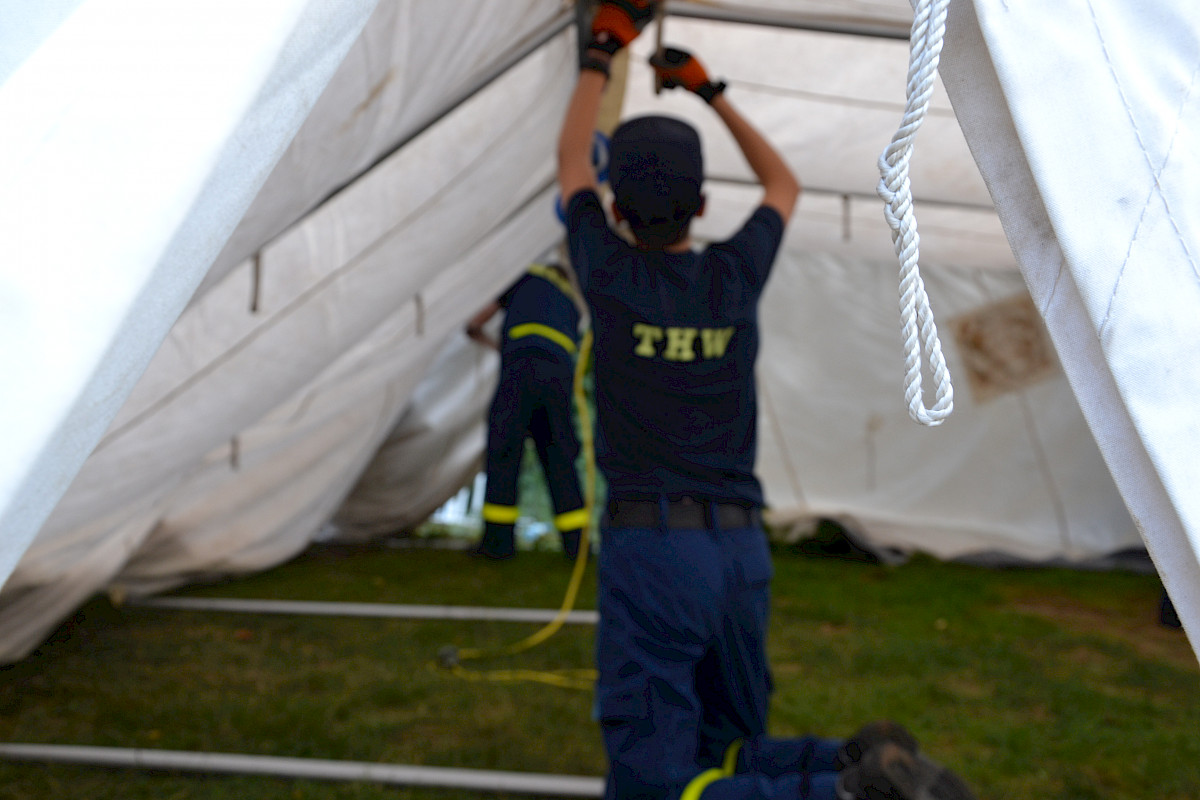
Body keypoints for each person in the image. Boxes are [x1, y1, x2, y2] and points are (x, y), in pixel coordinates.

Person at [556, 3, 977, 799]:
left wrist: (601, 50)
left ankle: (850, 793)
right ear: (704, 207)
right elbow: (783, 181)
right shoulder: (731, 274)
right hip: (739, 557)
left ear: (612, 213)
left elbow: (570, 160)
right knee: (724, 749)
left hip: (655, 554)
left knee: (655, 781)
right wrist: (708, 90)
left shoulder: (608, 275)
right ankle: (857, 761)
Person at [466, 262, 587, 561]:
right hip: (559, 376)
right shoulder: (573, 303)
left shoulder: (524, 273)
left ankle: (498, 543)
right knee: (560, 458)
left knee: (504, 451)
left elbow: (478, 319)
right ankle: (577, 546)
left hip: (522, 368)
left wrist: (483, 337)